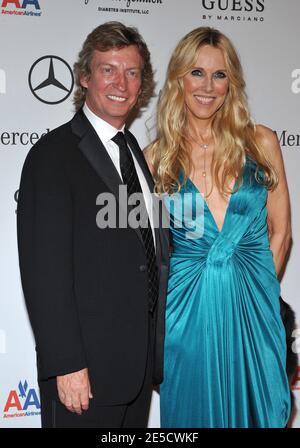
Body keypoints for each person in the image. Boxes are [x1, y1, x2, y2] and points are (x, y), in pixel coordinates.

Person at [17, 21, 169, 428]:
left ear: (143, 83)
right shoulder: (53, 155)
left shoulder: (135, 151)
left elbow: (147, 253)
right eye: (108, 69)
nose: (121, 82)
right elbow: (43, 272)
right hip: (83, 377)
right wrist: (66, 364)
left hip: (135, 375)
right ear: (85, 77)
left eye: (132, 72)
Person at [145, 27, 292, 428]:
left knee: (260, 412)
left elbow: (281, 232)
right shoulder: (154, 158)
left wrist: (257, 289)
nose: (207, 86)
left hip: (253, 309)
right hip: (186, 313)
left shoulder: (261, 142)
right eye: (197, 72)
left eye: (220, 75)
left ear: (232, 83)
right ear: (178, 78)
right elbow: (145, 252)